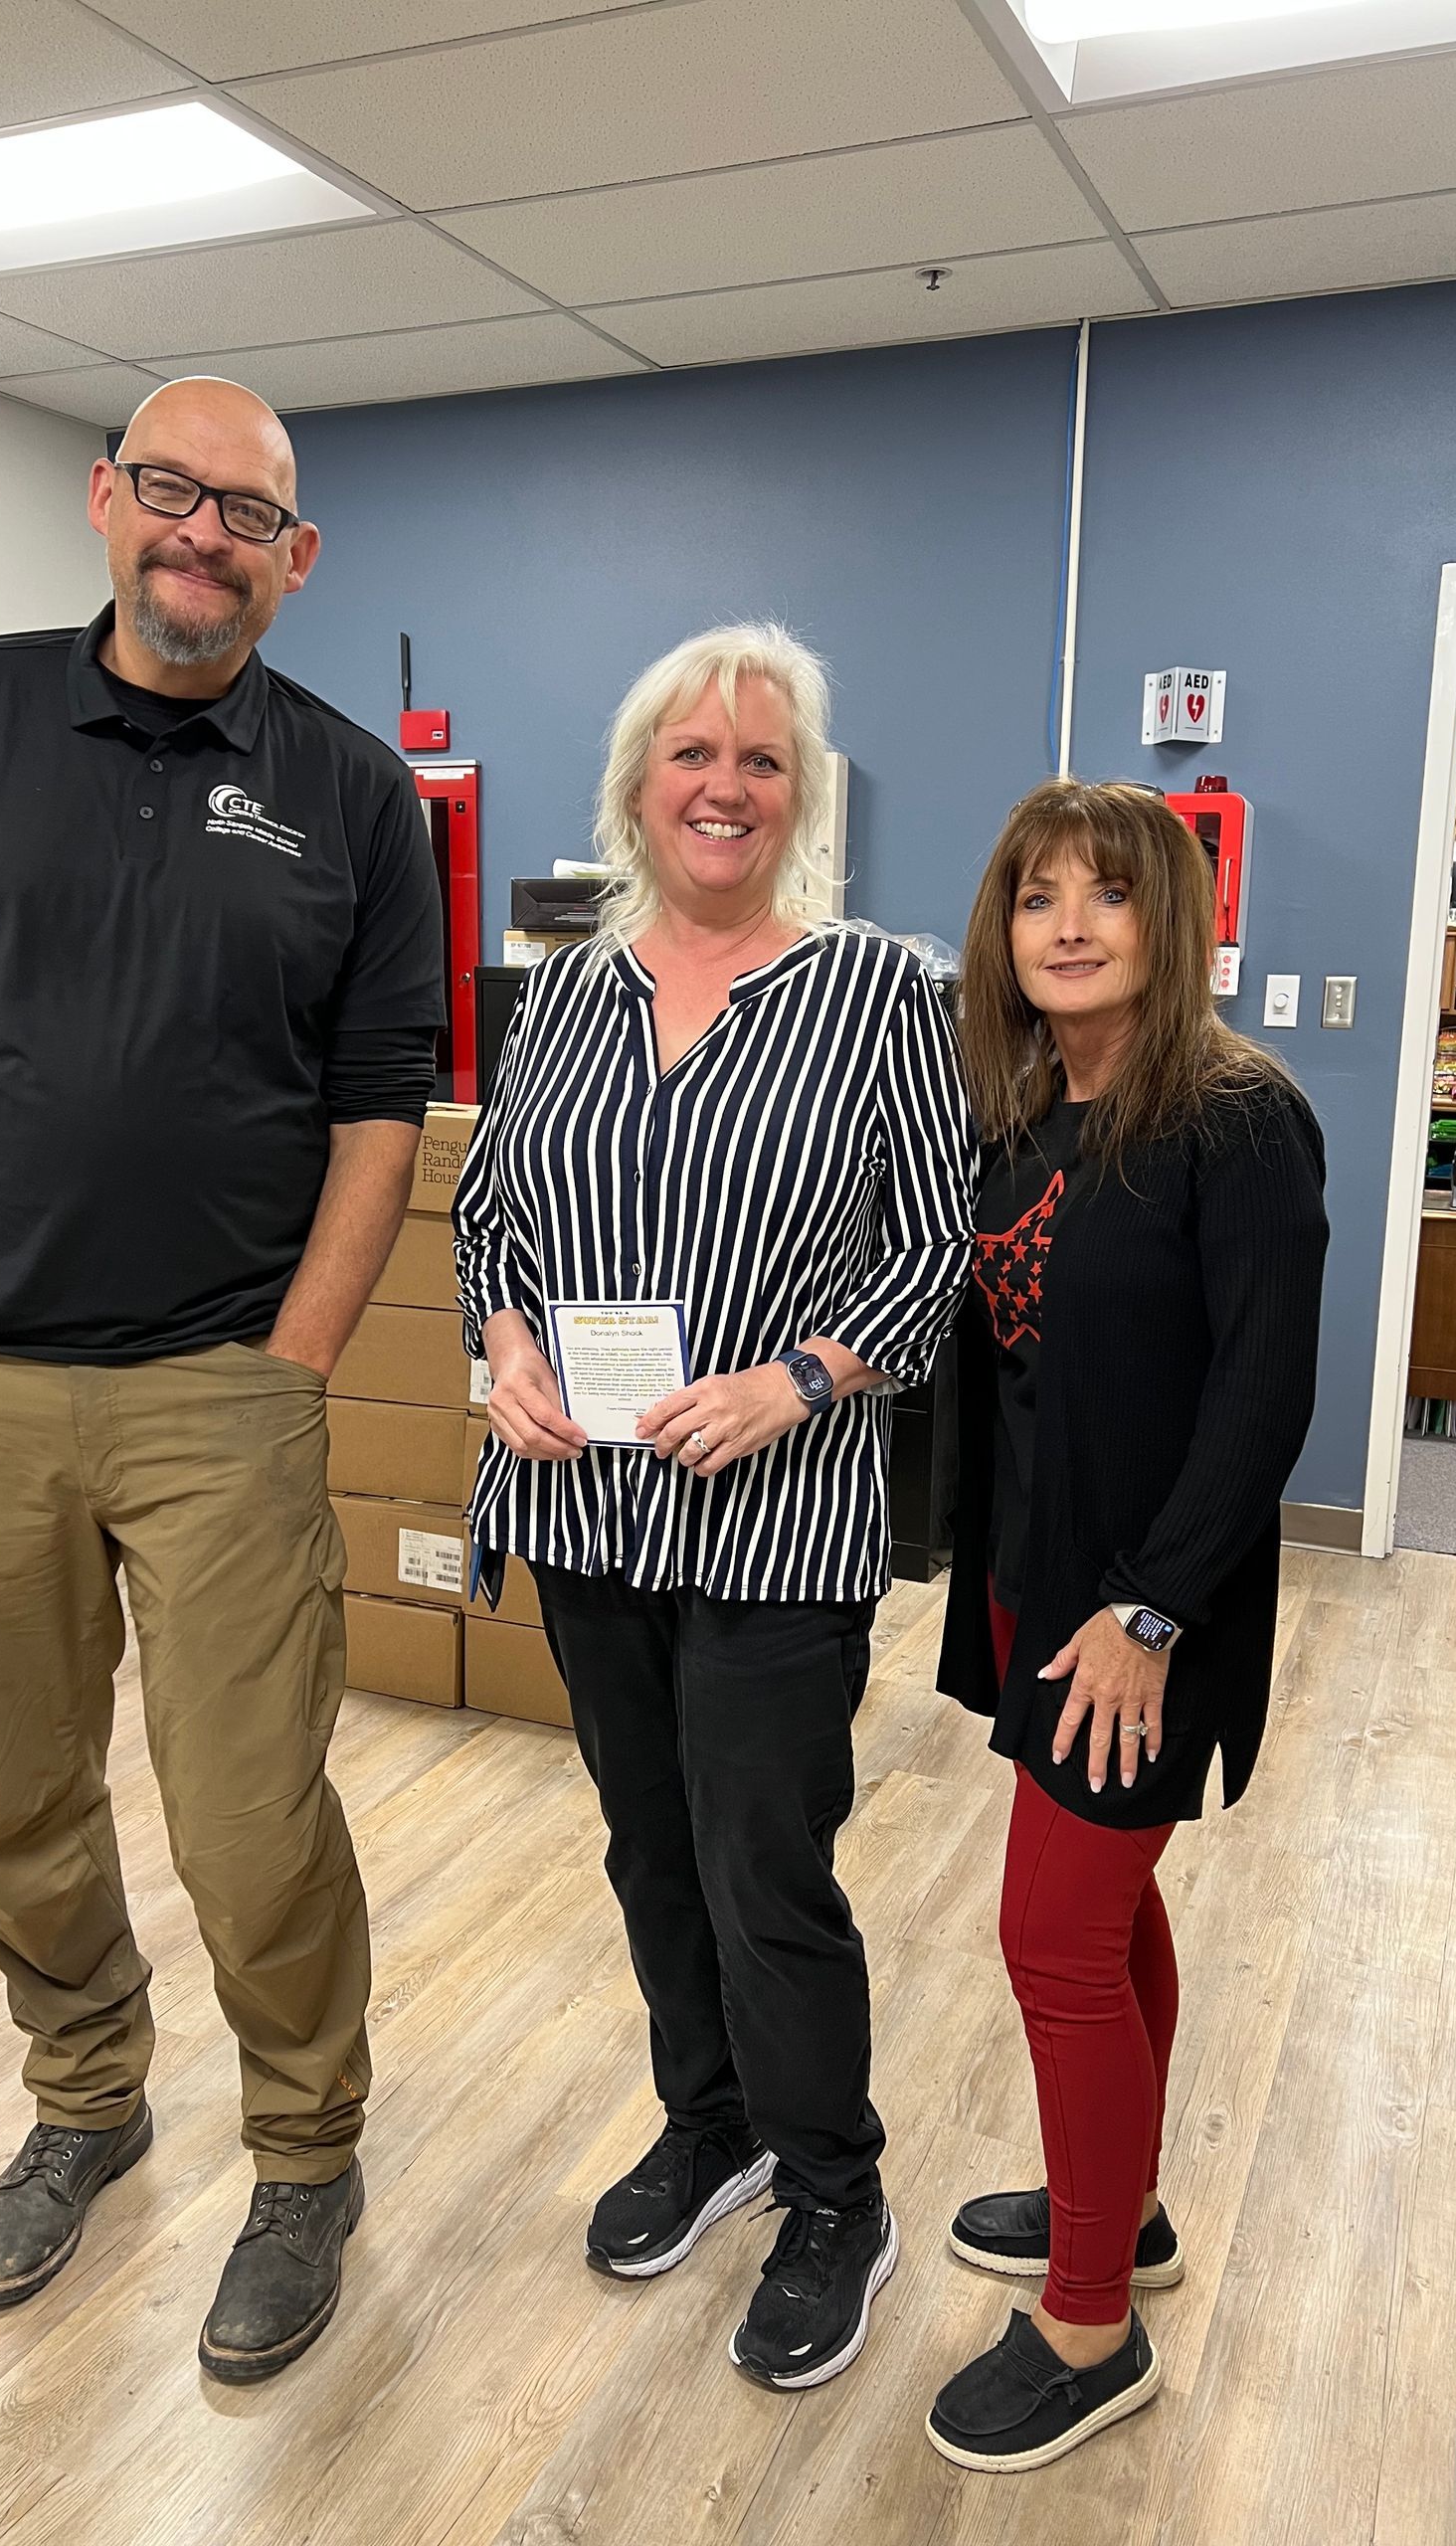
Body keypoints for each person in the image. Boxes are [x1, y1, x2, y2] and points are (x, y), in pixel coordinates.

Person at [0, 378, 444, 2384]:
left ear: (294, 554)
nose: (203, 532)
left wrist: (297, 1364)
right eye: (171, 491)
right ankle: (85, 2096)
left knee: (251, 1818)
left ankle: (306, 2148)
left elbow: (376, 1112)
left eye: (245, 510)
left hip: (216, 1396)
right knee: (1, 1789)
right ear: (106, 502)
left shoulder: (350, 794)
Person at [454, 626, 975, 2390]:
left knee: (766, 1868)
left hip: (778, 1525)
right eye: (694, 755)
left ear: (799, 796)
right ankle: (717, 2123)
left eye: (762, 760)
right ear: (638, 786)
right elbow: (489, 1228)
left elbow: (936, 1260)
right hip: (589, 1510)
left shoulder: (877, 995)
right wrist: (505, 1344)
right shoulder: (564, 1001)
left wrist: (800, 1380)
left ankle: (837, 2187)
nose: (725, 786)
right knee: (647, 1847)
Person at [928, 778, 1327, 2471]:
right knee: (1109, 1912)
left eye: (1110, 894)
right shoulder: (1031, 1117)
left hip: (1142, 1616)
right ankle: (1128, 2207)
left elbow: (1263, 1394)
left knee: (1057, 1942)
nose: (1070, 923)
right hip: (1039, 1589)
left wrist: (1150, 1613)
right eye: (1037, 897)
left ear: (1173, 922)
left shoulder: (1234, 1117)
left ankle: (1091, 2325)